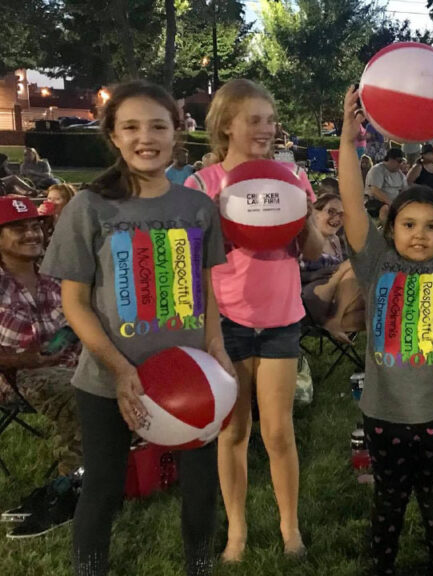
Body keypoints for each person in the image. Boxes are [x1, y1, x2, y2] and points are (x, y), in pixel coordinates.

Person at [41, 80, 232, 576]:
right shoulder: (89, 207)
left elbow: (209, 290)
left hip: (190, 380)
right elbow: (76, 305)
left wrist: (216, 348)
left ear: (177, 134)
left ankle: (199, 565)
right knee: (104, 487)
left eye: (157, 126)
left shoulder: (197, 207)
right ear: (113, 136)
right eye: (130, 127)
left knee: (201, 487)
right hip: (108, 381)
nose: (145, 137)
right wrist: (120, 369)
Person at [337, 83, 433, 576]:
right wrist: (347, 135)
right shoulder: (375, 264)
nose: (419, 234)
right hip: (386, 411)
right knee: (389, 501)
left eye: (431, 226)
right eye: (408, 224)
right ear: (391, 230)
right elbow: (352, 203)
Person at [185, 78, 322, 562]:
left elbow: (314, 252)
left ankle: (291, 530)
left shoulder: (292, 178)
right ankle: (237, 533)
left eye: (270, 119)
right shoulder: (202, 185)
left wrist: (304, 217)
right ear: (226, 124)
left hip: (282, 317)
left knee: (279, 432)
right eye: (255, 120)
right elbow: (191, 261)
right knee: (234, 431)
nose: (267, 129)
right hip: (226, 324)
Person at [0, 195, 82, 540]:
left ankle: (95, 477)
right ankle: (70, 490)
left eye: (35, 226)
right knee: (83, 395)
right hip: (16, 376)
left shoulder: (54, 277)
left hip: (73, 364)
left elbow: (77, 328)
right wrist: (20, 360)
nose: (32, 234)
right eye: (18, 228)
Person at [300, 193, 364, 342]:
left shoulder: (335, 241)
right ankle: (336, 320)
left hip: (336, 300)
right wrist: (340, 270)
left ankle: (336, 323)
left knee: (375, 312)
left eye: (341, 214)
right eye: (331, 211)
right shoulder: (304, 239)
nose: (337, 218)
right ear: (314, 212)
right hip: (309, 303)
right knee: (354, 265)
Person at [365, 148, 407, 219]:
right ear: (391, 159)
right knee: (385, 209)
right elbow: (375, 191)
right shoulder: (377, 170)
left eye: (402, 162)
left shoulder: (400, 174)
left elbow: (404, 191)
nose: (400, 164)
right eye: (399, 161)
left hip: (394, 203)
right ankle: (385, 229)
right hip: (374, 202)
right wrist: (392, 204)